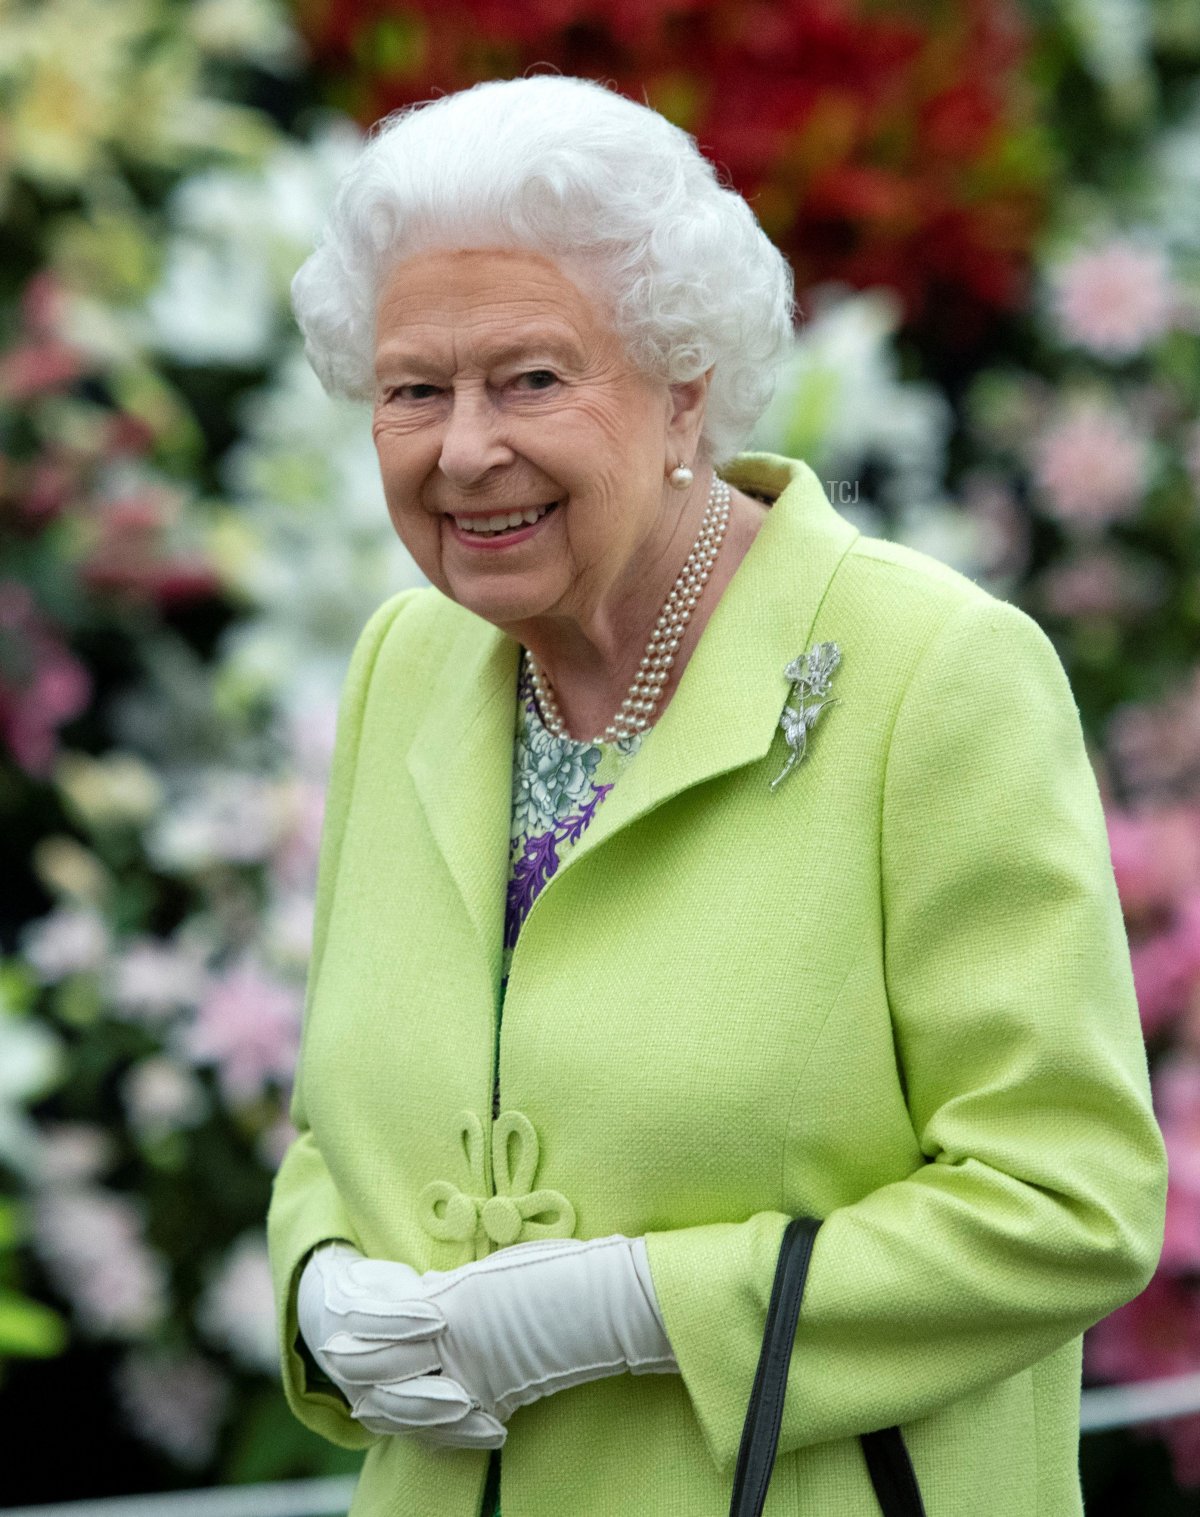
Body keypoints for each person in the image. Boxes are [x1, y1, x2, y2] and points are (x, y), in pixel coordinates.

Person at [265, 73, 1168, 1517]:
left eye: (531, 378)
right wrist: (316, 1283)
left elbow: (1070, 1201)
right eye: (413, 390)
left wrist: (635, 1306)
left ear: (683, 386)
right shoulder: (406, 663)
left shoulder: (932, 673)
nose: (463, 448)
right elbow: (343, 1124)